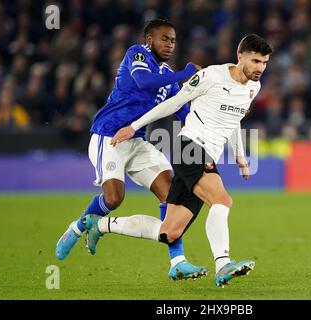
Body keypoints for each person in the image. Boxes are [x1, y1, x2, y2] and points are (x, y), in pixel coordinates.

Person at [84, 34, 273, 287]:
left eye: (264, 63)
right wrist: (134, 126)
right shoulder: (211, 76)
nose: (260, 68)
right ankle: (223, 263)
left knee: (169, 231)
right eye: (256, 61)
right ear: (240, 57)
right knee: (222, 199)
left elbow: (234, 120)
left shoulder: (253, 87)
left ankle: (101, 224)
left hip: (207, 153)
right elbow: (174, 103)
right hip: (190, 147)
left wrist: (239, 155)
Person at [55, 19, 208, 281]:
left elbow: (182, 110)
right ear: (150, 40)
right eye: (164, 39)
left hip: (136, 140)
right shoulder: (137, 54)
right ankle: (79, 226)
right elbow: (144, 82)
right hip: (110, 135)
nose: (170, 44)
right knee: (114, 199)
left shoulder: (168, 76)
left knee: (170, 194)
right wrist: (184, 74)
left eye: (173, 40)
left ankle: (177, 262)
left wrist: (208, 114)